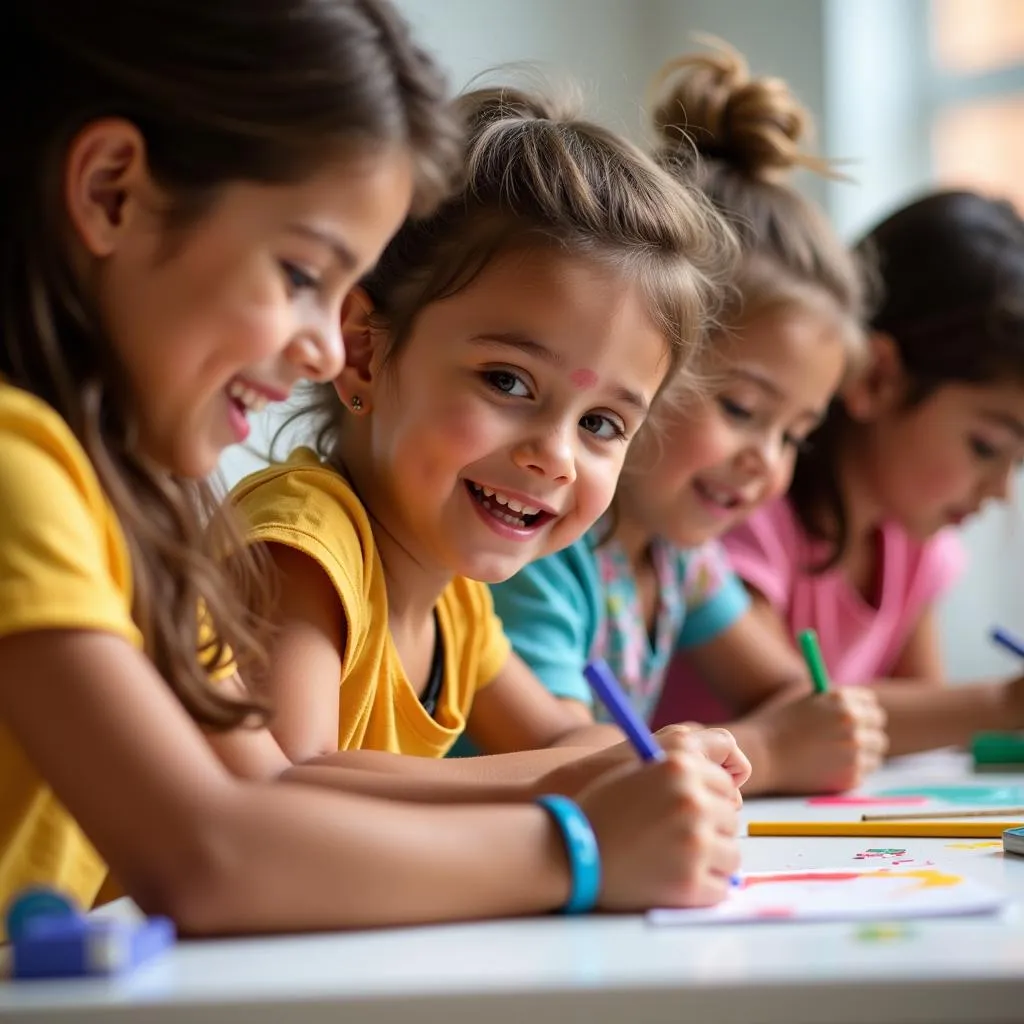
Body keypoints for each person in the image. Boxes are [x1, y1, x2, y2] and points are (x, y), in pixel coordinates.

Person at [0, 0, 738, 936]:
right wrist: (579, 848)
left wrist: (613, 778)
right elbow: (213, 854)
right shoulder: (19, 473)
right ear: (111, 193)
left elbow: (265, 794)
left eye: (600, 422)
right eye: (304, 274)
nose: (320, 347)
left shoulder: (139, 498)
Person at [493, 41, 888, 796]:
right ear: (650, 375)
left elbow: (789, 697)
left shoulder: (681, 559)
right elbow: (580, 763)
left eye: (795, 435)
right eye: (742, 409)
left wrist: (811, 725)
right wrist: (769, 753)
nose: (766, 460)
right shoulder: (538, 548)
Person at [722, 189, 1024, 756]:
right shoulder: (747, 507)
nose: (1001, 490)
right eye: (986, 446)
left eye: (1019, 462)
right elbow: (792, 716)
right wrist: (1007, 706)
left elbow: (925, 730)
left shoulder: (914, 544)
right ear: (877, 378)